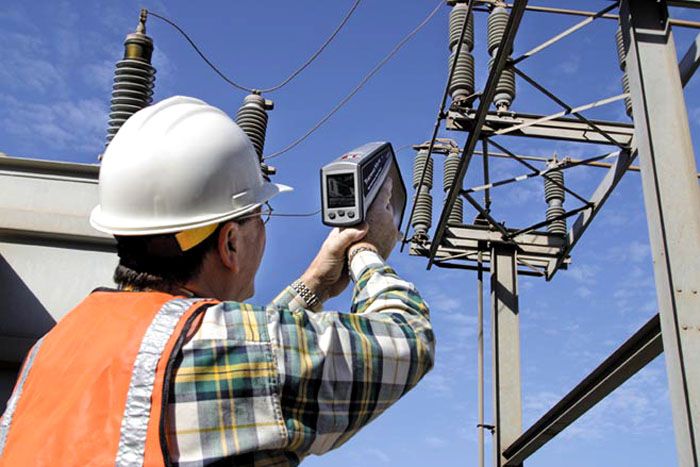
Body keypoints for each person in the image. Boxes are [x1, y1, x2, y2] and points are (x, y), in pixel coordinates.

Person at [0, 96, 434, 466]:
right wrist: (365, 250)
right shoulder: (227, 347)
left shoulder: (55, 347)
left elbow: (231, 357)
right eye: (260, 215)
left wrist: (313, 285)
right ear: (229, 243)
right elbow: (408, 337)